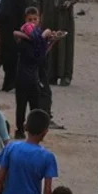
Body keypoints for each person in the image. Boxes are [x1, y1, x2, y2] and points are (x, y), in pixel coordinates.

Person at [12, 8, 64, 136]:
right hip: (29, 79)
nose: (33, 22)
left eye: (35, 19)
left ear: (39, 20)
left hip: (26, 78)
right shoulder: (30, 40)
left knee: (25, 106)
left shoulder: (36, 41)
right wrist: (45, 39)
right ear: (25, 21)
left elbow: (43, 51)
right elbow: (41, 54)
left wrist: (51, 41)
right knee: (30, 106)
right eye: (30, 20)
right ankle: (28, 130)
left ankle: (21, 130)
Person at [32, 0, 81, 87]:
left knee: (65, 46)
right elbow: (38, 0)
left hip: (65, 19)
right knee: (49, 45)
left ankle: (66, 76)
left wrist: (69, 2)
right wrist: (39, 18)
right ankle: (51, 75)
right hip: (48, 18)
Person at [0, 0, 30, 94]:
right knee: (7, 58)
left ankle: (14, 82)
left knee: (13, 59)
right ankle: (8, 82)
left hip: (15, 35)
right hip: (6, 35)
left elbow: (24, 15)